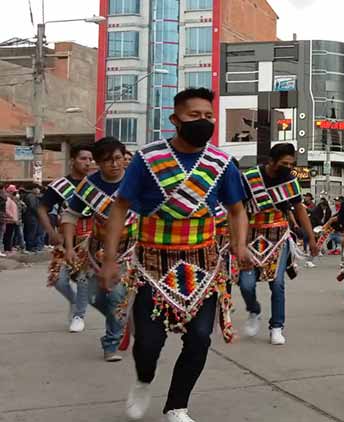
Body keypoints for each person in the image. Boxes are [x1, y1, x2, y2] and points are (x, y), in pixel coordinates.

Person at [98, 88, 251, 422]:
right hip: (153, 264)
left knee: (199, 339)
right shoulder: (148, 158)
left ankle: (177, 405)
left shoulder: (221, 163)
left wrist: (239, 247)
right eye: (194, 116)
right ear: (175, 119)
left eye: (208, 116)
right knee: (148, 343)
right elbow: (120, 207)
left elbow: (237, 210)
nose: (203, 122)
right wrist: (110, 259)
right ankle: (143, 379)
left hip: (204, 265)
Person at [61, 137, 135, 362]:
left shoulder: (136, 181)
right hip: (96, 252)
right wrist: (68, 246)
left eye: (118, 159)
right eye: (107, 160)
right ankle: (121, 320)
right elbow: (70, 215)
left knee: (116, 296)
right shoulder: (88, 185)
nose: (114, 164)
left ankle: (111, 343)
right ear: (98, 163)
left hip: (128, 251)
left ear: (124, 159)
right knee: (94, 297)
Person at [238, 143, 319, 346]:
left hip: (278, 237)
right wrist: (237, 241)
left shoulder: (290, 180)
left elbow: (299, 209)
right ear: (271, 161)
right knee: (246, 284)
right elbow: (238, 210)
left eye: (291, 164)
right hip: (251, 236)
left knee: (278, 284)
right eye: (284, 163)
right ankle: (254, 310)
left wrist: (311, 238)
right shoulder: (249, 179)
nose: (288, 167)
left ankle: (277, 327)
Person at [37, 144, 94, 333]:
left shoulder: (96, 183)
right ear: (72, 161)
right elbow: (42, 208)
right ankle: (74, 300)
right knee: (59, 280)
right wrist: (51, 232)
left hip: (91, 237)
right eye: (83, 158)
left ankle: (79, 315)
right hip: (65, 237)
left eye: (90, 159)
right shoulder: (61, 185)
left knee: (84, 278)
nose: (87, 162)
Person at [22, 186, 42, 252]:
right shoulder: (31, 196)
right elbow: (33, 207)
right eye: (38, 188)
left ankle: (33, 246)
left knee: (35, 232)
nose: (39, 190)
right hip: (31, 217)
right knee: (32, 232)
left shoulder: (35, 196)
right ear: (34, 189)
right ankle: (30, 247)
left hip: (34, 217)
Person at [3, 185, 20, 252]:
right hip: (9, 220)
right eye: (14, 193)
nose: (15, 194)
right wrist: (12, 217)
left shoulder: (12, 200)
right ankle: (7, 248)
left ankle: (9, 247)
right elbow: (6, 210)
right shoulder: (7, 199)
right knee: (8, 235)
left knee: (10, 235)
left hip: (12, 220)